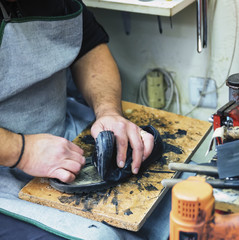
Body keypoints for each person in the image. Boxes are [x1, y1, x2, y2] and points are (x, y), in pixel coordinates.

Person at [0, 0, 154, 239]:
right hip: (5, 167)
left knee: (169, 198)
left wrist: (108, 111)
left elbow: (89, 48)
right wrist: (22, 151)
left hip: (61, 132)